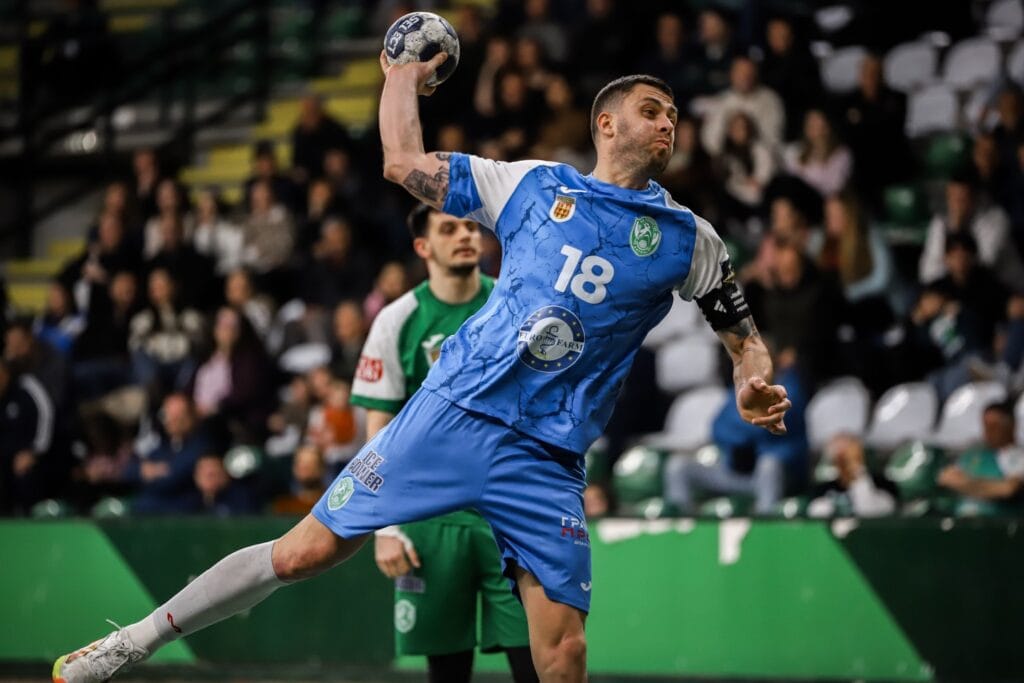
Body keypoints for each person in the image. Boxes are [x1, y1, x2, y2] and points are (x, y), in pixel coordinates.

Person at [53, 58, 791, 683]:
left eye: (673, 117)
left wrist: (750, 380)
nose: (667, 125)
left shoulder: (689, 238)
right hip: (452, 414)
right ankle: (134, 641)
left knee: (563, 653)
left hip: (546, 456)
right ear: (606, 124)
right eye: (651, 111)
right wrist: (401, 74)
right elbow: (402, 162)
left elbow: (743, 337)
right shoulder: (533, 185)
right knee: (305, 551)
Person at [355, 203, 537, 682]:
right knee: (448, 672)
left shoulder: (515, 304)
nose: (465, 236)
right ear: (423, 246)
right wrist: (383, 527)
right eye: (449, 228)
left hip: (510, 514)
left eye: (472, 227)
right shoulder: (397, 320)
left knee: (537, 662)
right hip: (429, 516)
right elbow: (379, 427)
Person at [937, 400, 1024, 516]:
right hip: (960, 519)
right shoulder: (973, 452)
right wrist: (987, 488)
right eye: (986, 426)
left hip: (998, 521)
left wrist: (965, 484)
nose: (988, 432)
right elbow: (946, 478)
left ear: (1011, 426)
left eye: (994, 427)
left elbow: (1008, 489)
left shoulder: (1019, 457)